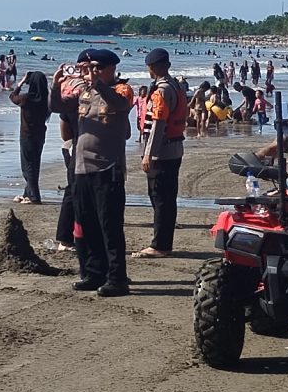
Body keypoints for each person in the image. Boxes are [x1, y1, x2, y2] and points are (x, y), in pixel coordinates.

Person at [53, 48, 134, 296]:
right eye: (90, 67)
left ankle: (117, 278)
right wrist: (56, 86)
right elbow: (57, 107)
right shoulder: (83, 91)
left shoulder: (121, 89)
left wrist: (98, 84)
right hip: (81, 167)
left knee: (109, 225)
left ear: (111, 68)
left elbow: (120, 105)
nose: (93, 71)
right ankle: (92, 272)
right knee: (87, 224)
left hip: (107, 167)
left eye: (98, 67)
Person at [136, 48, 187, 258]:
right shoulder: (174, 85)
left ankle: (160, 245)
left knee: (160, 198)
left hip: (163, 152)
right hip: (173, 149)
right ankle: (163, 242)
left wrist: (149, 153)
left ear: (152, 67)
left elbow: (158, 123)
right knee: (166, 198)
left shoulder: (162, 90)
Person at [11, 68, 51, 204]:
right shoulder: (46, 100)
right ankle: (27, 193)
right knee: (34, 163)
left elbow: (12, 97)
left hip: (27, 135)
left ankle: (34, 196)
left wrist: (21, 83)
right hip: (40, 134)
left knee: (27, 165)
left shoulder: (27, 99)